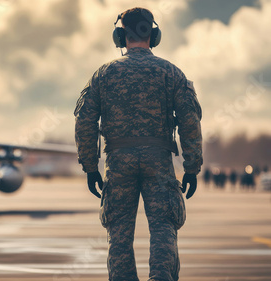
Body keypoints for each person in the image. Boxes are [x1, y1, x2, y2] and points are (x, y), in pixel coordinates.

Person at [74, 7, 202, 281]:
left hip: (119, 162)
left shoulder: (103, 74)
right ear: (153, 35)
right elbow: (190, 121)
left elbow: (85, 122)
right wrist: (192, 166)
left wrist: (90, 167)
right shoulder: (171, 73)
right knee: (163, 228)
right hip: (159, 160)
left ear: (120, 36)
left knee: (118, 233)